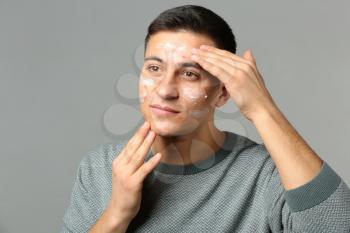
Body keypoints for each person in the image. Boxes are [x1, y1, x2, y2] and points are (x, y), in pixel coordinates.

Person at [61, 5, 350, 233]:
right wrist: (116, 215)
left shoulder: (264, 174)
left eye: (189, 74)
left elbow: (338, 225)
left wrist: (261, 109)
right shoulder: (99, 168)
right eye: (154, 68)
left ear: (223, 93)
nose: (164, 90)